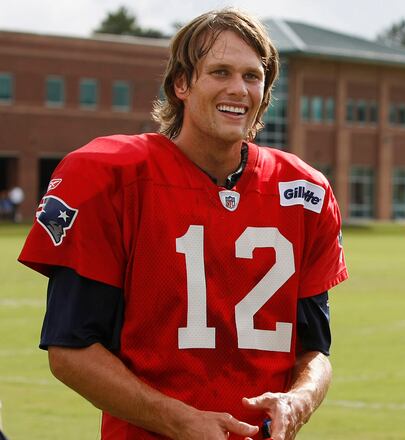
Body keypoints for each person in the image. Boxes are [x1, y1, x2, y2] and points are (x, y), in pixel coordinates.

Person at [18, 8, 347, 440]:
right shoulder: (111, 177)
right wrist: (181, 421)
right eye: (220, 72)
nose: (238, 89)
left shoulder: (303, 191)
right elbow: (70, 349)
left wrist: (300, 398)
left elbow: (315, 350)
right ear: (181, 84)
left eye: (252, 76)